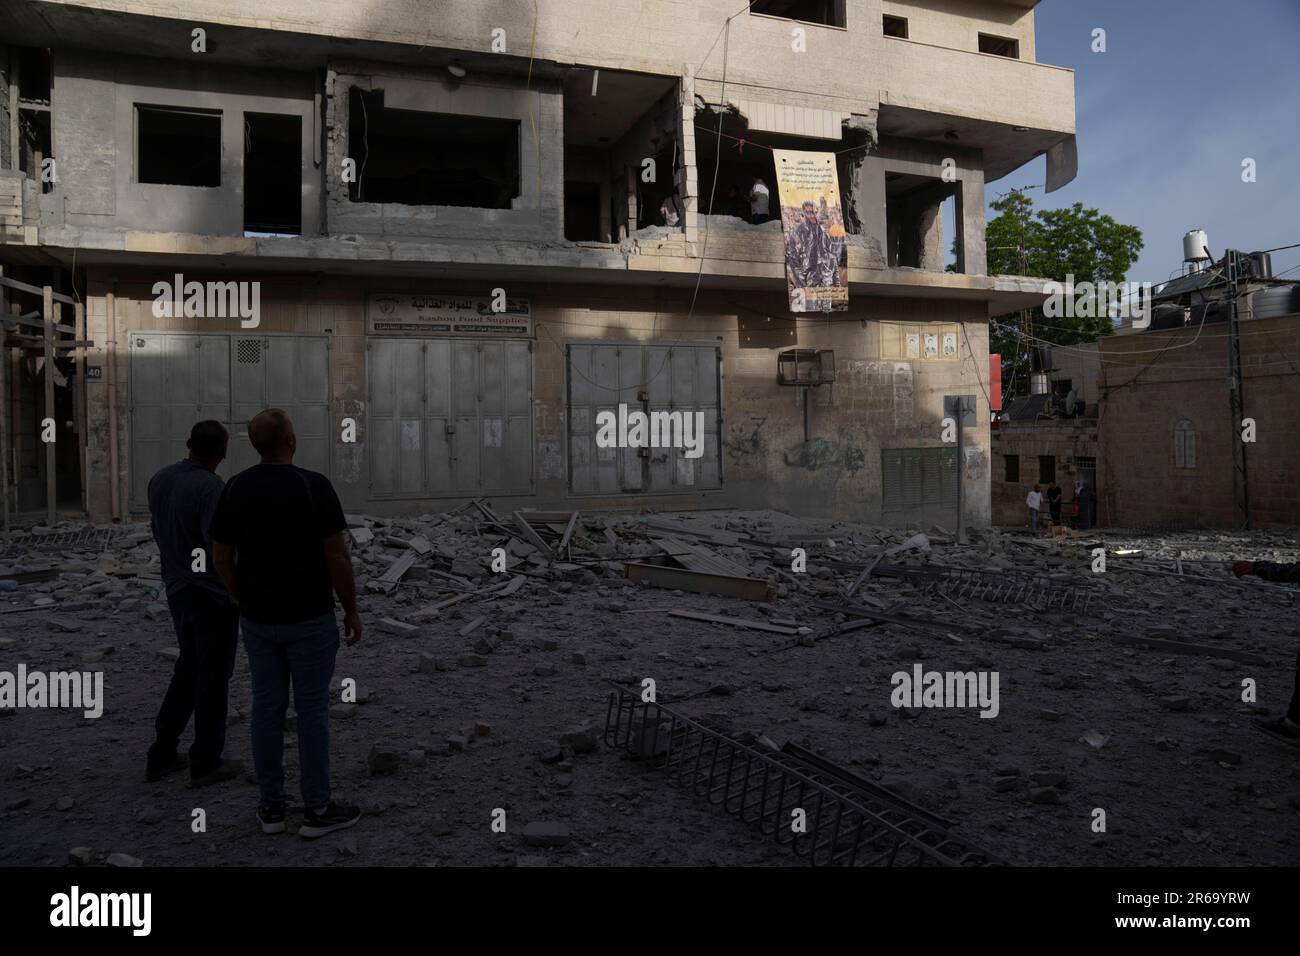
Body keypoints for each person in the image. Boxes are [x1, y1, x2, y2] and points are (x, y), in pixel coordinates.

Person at [211, 409, 363, 839]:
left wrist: (244, 596)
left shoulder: (236, 487)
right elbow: (337, 556)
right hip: (310, 618)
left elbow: (221, 558)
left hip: (259, 621)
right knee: (312, 711)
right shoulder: (312, 486)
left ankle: (271, 808)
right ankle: (317, 809)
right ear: (290, 440)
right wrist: (350, 607)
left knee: (267, 709)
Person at [145, 421, 243, 787]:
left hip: (178, 591)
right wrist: (236, 590)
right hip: (210, 596)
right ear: (223, 452)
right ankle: (205, 761)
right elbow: (217, 548)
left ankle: (163, 753)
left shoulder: (160, 479)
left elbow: (158, 531)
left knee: (188, 670)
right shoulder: (211, 488)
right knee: (213, 679)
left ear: (188, 444)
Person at [786, 200, 838, 290]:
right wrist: (803, 284)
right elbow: (794, 263)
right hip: (808, 284)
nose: (811, 215)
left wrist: (836, 280)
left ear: (818, 213)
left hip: (825, 283)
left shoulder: (824, 233)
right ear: (803, 213)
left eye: (814, 212)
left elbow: (832, 257)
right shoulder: (796, 235)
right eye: (808, 212)